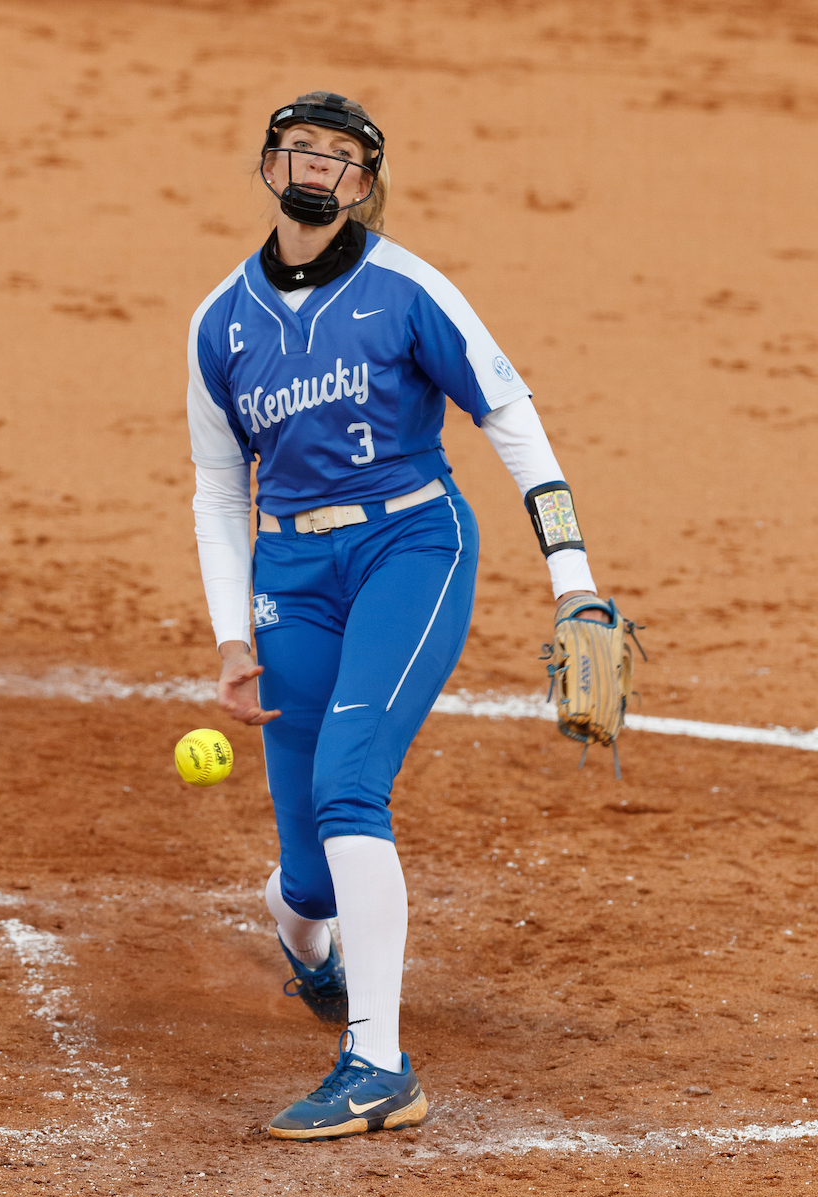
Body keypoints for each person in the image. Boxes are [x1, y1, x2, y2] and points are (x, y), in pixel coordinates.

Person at [186, 91, 600, 1141]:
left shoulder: (407, 289)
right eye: (299, 151)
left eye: (341, 158)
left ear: (365, 183)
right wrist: (231, 631)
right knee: (308, 871)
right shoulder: (219, 322)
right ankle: (311, 951)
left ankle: (377, 1064)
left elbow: (510, 415)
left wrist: (574, 581)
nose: (317, 169)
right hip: (291, 572)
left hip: (410, 548)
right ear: (269, 165)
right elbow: (220, 488)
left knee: (348, 782)